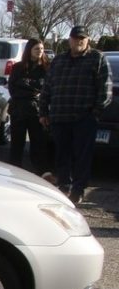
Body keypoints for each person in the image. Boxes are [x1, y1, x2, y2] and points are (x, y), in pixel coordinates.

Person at [39, 26, 113, 205]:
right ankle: (64, 186)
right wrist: (43, 111)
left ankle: (78, 190)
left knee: (82, 156)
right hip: (59, 116)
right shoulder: (59, 60)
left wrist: (95, 112)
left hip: (84, 118)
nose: (79, 41)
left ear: (88, 40)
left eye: (82, 38)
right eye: (75, 38)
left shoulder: (97, 58)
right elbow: (47, 87)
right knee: (61, 155)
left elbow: (105, 89)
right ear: (69, 40)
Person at [7, 38, 52, 175]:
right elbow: (13, 88)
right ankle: (14, 173)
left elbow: (45, 88)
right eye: (37, 49)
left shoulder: (47, 68)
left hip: (37, 112)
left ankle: (41, 173)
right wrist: (31, 88)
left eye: (42, 49)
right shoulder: (18, 67)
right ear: (29, 50)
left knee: (38, 144)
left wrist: (27, 85)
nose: (40, 52)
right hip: (18, 110)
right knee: (17, 144)